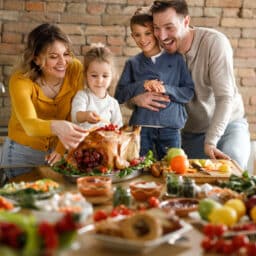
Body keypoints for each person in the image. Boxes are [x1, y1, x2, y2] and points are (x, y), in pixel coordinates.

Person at [131, 0, 250, 169]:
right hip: (190, 134)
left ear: (186, 21)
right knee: (184, 185)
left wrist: (211, 141)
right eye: (157, 28)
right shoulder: (157, 51)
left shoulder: (213, 43)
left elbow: (225, 97)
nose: (162, 36)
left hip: (228, 128)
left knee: (232, 169)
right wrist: (137, 98)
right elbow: (130, 95)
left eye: (169, 27)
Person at [0, 23, 88, 179]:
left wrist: (61, 150)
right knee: (24, 201)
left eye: (66, 53)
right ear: (36, 59)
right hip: (22, 155)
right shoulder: (20, 80)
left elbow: (73, 115)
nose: (63, 62)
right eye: (53, 56)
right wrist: (57, 126)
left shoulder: (75, 69)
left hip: (59, 154)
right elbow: (29, 125)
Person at [115, 9, 194, 160]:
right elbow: (119, 96)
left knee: (172, 170)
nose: (142, 39)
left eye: (147, 33)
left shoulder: (176, 59)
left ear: (156, 33)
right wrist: (142, 85)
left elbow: (188, 92)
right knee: (140, 170)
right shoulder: (132, 63)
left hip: (170, 129)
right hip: (141, 129)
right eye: (137, 35)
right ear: (132, 36)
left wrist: (166, 89)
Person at [71, 44, 123, 130]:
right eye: (94, 75)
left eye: (105, 76)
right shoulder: (83, 96)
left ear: (112, 77)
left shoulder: (113, 103)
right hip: (84, 140)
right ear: (85, 75)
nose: (99, 80)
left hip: (106, 142)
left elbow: (118, 128)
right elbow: (75, 116)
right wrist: (86, 116)